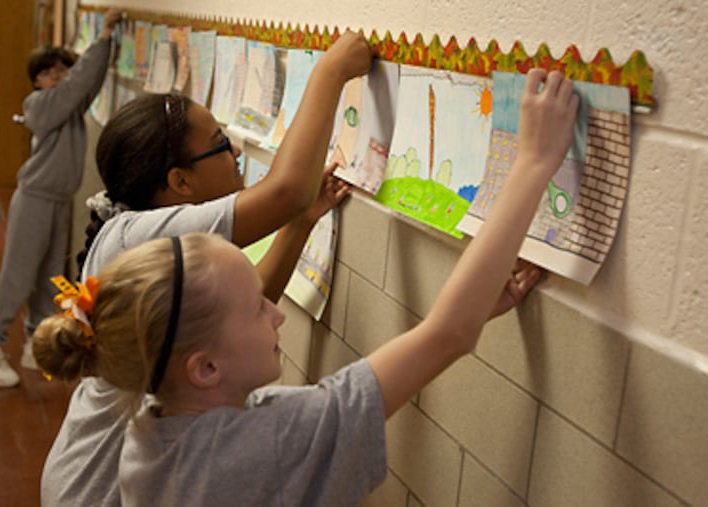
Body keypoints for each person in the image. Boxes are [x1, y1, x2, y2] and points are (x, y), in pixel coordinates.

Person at [33, 68, 578, 506]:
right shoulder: (260, 446)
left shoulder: (159, 430)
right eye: (255, 311)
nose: (276, 315)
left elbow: (447, 331)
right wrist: (533, 162)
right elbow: (446, 335)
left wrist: (480, 305)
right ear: (204, 368)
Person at [36, 31, 373, 507]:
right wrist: (330, 71)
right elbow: (286, 190)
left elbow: (247, 304)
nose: (236, 153)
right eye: (221, 145)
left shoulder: (138, 232)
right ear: (179, 182)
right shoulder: (139, 237)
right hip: (92, 491)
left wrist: (299, 225)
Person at [0, 9, 124, 388]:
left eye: (62, 70)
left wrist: (106, 49)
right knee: (18, 277)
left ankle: (35, 342)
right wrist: (102, 35)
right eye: (49, 72)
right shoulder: (40, 106)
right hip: (35, 199)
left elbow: (86, 84)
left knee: (50, 278)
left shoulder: (67, 108)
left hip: (58, 201)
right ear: (37, 81)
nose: (58, 77)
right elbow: (76, 87)